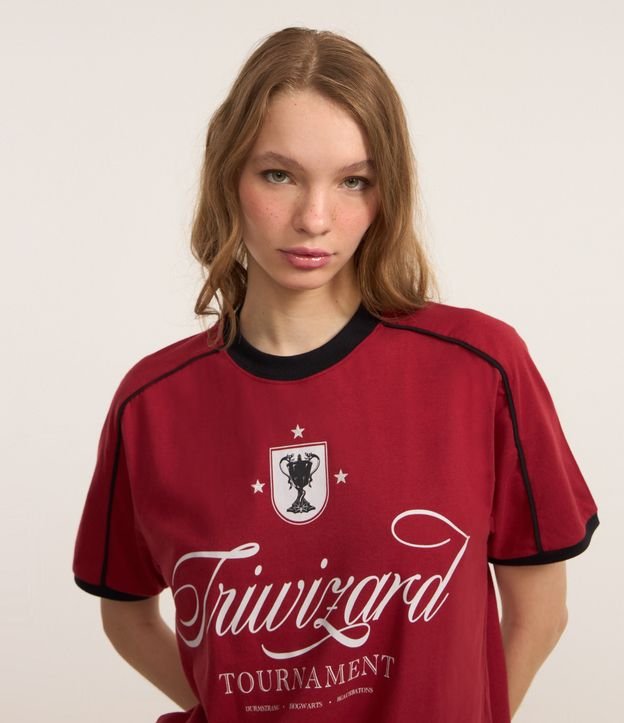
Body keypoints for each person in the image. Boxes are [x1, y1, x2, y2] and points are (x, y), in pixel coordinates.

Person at [72, 26, 599, 723]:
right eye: (279, 175)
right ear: (228, 175)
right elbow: (127, 615)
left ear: (386, 193)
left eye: (354, 181)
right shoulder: (151, 405)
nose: (315, 219)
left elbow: (541, 612)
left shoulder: (481, 368)